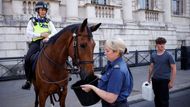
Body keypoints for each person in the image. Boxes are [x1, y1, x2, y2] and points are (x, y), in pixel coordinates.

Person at [81, 38, 133, 107]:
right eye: (104, 50)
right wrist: (100, 77)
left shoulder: (117, 70)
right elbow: (110, 78)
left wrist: (92, 87)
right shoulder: (115, 64)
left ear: (117, 52)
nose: (104, 53)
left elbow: (111, 98)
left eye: (107, 51)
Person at [22, 1, 57, 90]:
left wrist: (48, 37)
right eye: (42, 10)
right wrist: (40, 35)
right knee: (27, 59)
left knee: (60, 53)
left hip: (47, 42)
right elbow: (28, 33)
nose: (43, 11)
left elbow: (54, 32)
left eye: (45, 10)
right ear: (38, 10)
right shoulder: (32, 21)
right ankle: (28, 81)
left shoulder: (48, 21)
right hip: (36, 43)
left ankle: (64, 73)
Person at [147, 37, 176, 107]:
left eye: (163, 44)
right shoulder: (153, 55)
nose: (162, 45)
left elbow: (174, 69)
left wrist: (171, 82)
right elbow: (151, 67)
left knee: (164, 100)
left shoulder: (169, 55)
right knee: (157, 98)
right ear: (156, 45)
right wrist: (148, 77)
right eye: (160, 44)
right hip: (155, 79)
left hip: (164, 80)